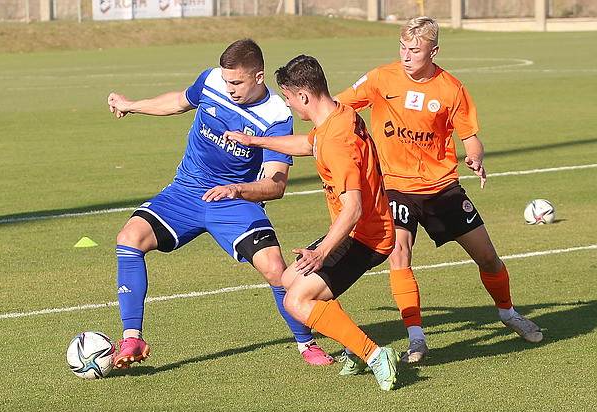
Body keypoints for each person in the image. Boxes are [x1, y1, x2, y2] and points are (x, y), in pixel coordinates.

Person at [106, 39, 333, 369]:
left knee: (275, 270)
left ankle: (306, 342)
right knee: (129, 238)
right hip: (186, 191)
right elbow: (179, 101)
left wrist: (236, 190)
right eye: (227, 81)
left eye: (237, 82)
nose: (229, 89)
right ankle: (132, 337)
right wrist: (132, 104)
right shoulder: (212, 80)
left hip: (234, 201)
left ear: (258, 76)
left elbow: (276, 184)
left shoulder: (276, 115)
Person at [334, 16, 543, 370]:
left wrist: (475, 157)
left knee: (488, 258)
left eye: (415, 50)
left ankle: (508, 312)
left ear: (433, 51)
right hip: (395, 186)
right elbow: (337, 108)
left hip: (442, 187)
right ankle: (416, 337)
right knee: (400, 254)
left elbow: (470, 138)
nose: (406, 56)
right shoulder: (381, 78)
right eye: (403, 47)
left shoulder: (451, 89)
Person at [224, 55, 399, 391]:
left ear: (303, 96)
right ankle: (353, 344)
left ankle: (375, 355)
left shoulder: (336, 142)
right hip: (359, 229)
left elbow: (353, 208)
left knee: (296, 301)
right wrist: (255, 141)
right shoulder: (339, 115)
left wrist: (322, 253)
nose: (288, 104)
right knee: (290, 278)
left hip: (366, 237)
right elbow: (309, 143)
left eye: (289, 97)